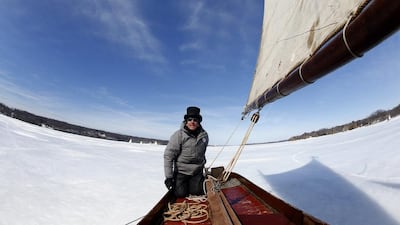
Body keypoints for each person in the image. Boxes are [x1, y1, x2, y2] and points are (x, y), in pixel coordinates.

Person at [164, 106, 209, 197]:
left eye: (195, 120)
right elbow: (168, 156)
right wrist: (169, 177)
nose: (192, 122)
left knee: (197, 193)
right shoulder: (178, 135)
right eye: (190, 119)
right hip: (181, 172)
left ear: (199, 122)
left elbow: (202, 153)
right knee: (180, 194)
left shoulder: (204, 136)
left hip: (197, 172)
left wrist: (202, 165)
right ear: (186, 121)